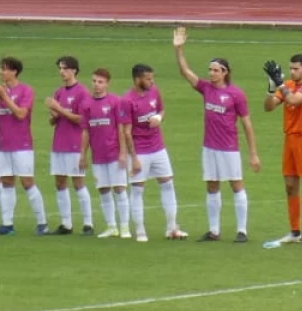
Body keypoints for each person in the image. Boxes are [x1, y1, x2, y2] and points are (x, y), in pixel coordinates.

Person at [173, 27, 259, 243]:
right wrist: (179, 50)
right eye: (210, 70)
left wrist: (253, 154)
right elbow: (186, 72)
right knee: (211, 185)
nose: (211, 73)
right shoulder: (206, 89)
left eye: (215, 70)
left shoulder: (236, 94)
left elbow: (247, 124)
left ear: (225, 72)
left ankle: (242, 230)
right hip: (209, 147)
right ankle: (214, 230)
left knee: (236, 184)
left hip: (229, 148)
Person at [264, 52, 302, 246]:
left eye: (296, 68)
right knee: (290, 186)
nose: (292, 72)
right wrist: (271, 89)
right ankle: (295, 232)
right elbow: (269, 107)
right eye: (290, 68)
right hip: (290, 139)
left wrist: (280, 84)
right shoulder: (287, 85)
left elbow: (294, 101)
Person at [0, 57, 48, 236]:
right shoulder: (0, 91)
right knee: (7, 182)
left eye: (4, 69)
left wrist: (5, 97)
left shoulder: (26, 90)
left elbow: (20, 114)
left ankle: (42, 223)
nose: (0, 72)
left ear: (14, 72)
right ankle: (7, 224)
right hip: (4, 144)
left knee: (27, 182)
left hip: (22, 145)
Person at [124, 63, 184, 242]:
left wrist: (159, 117)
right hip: (139, 151)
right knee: (137, 190)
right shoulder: (127, 100)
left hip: (158, 148)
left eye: (152, 78)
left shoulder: (154, 91)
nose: (152, 81)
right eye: (148, 79)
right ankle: (140, 231)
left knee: (167, 184)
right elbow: (126, 132)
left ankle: (172, 227)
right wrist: (133, 158)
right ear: (137, 79)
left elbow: (162, 110)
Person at [44, 55, 94, 236]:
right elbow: (54, 121)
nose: (61, 72)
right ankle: (66, 224)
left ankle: (88, 223)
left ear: (74, 70)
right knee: (59, 182)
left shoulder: (82, 92)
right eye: (60, 68)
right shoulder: (59, 92)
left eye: (65, 68)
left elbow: (81, 119)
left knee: (78, 182)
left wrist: (58, 109)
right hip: (59, 143)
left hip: (74, 144)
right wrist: (54, 115)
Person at [83, 67, 133, 238]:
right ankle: (112, 226)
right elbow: (86, 132)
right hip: (98, 156)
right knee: (103, 190)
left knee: (119, 189)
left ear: (107, 84)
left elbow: (121, 128)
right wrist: (83, 155)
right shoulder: (86, 104)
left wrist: (123, 153)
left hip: (113, 153)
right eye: (94, 81)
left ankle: (125, 226)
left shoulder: (115, 102)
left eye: (100, 82)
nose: (96, 85)